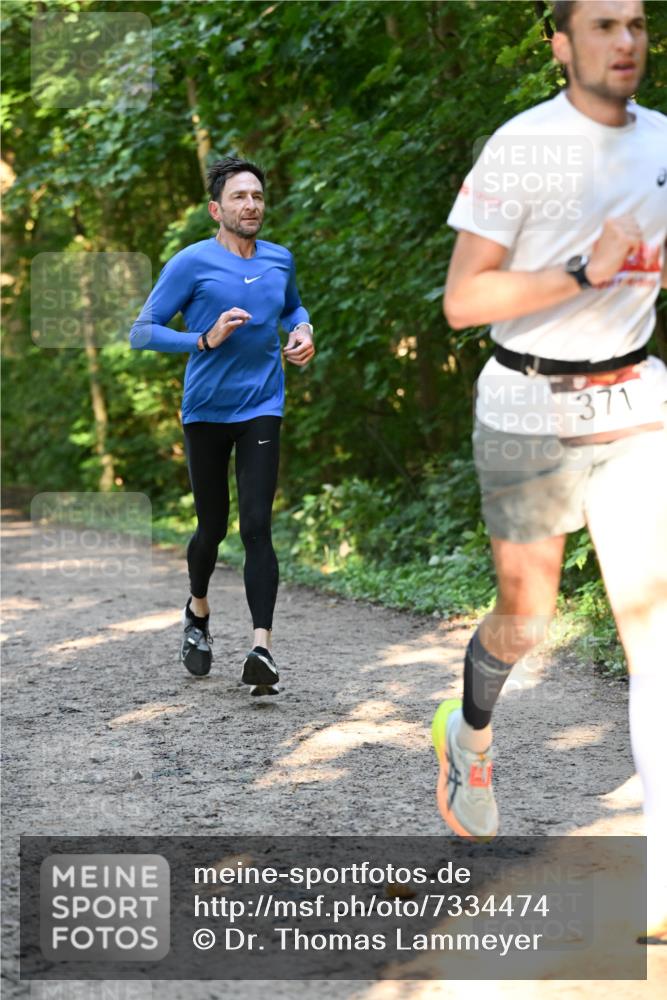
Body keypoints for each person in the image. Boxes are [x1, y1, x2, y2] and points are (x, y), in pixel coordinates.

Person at [433, 0, 667, 939]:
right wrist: (582, 271)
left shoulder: (661, 140)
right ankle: (471, 732)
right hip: (527, 400)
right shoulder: (520, 147)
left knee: (652, 627)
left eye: (639, 24)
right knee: (525, 619)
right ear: (560, 43)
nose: (626, 42)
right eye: (604, 24)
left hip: (633, 399)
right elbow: (462, 300)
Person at [130, 156, 314, 694]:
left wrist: (303, 330)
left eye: (257, 196)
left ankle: (262, 650)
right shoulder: (191, 263)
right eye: (239, 197)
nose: (250, 205)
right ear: (217, 208)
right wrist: (203, 340)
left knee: (256, 525)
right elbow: (142, 332)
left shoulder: (280, 258)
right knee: (211, 527)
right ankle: (198, 611)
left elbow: (293, 307)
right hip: (206, 410)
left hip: (262, 406)